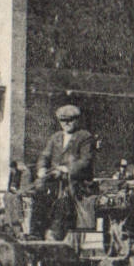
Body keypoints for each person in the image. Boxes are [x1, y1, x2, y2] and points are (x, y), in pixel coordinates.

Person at [34, 104, 96, 245]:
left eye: (70, 120)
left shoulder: (85, 137)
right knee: (38, 195)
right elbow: (45, 155)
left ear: (77, 120)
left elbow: (85, 161)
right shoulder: (55, 137)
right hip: (55, 180)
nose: (66, 123)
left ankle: (56, 233)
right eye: (63, 120)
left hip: (76, 182)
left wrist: (66, 169)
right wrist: (42, 168)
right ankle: (36, 233)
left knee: (64, 201)